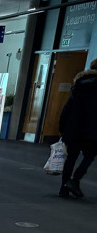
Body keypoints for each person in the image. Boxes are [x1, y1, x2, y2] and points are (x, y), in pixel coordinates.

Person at [58, 58, 97, 198]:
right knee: (89, 156)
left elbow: (67, 108)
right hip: (93, 130)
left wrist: (62, 128)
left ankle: (63, 188)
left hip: (73, 129)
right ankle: (75, 180)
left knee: (71, 158)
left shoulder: (79, 85)